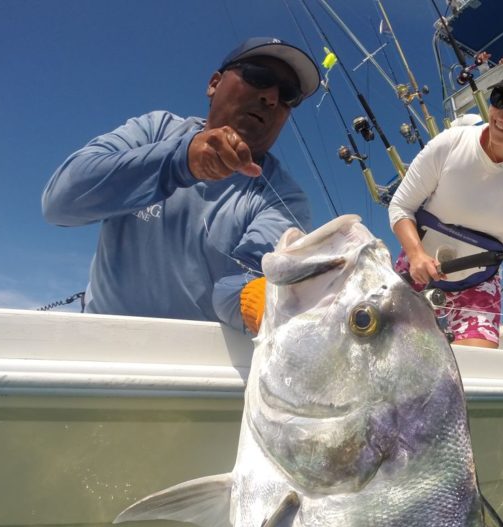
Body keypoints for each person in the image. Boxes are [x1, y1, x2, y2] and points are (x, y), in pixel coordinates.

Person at [41, 37, 320, 334]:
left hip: (195, 365)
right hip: (98, 343)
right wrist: (179, 162)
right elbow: (61, 201)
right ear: (214, 84)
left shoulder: (285, 198)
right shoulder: (155, 130)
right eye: (258, 77)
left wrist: (273, 301)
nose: (272, 98)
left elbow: (240, 286)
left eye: (289, 94)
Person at [388, 67, 503, 353]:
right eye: (500, 99)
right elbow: (401, 206)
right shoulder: (451, 142)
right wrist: (417, 255)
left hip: (478, 287)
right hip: (415, 273)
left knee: (477, 366)